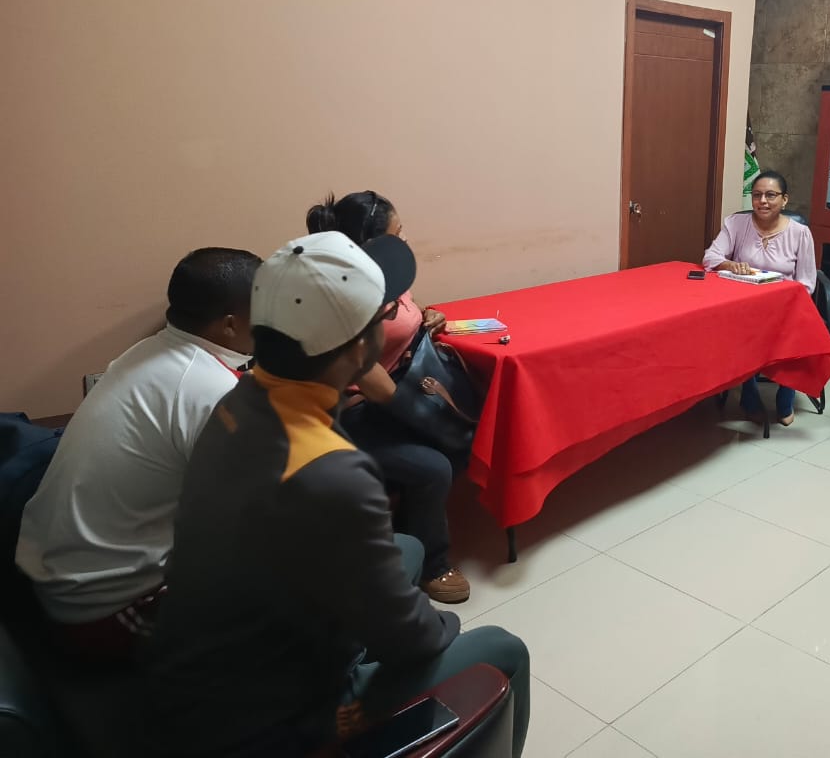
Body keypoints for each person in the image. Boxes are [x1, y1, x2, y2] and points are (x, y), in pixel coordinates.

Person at [144, 232, 529, 757]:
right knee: (500, 649)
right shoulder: (334, 473)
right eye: (384, 313)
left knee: (408, 550)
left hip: (195, 669)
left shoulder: (237, 399)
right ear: (360, 347)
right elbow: (412, 638)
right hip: (271, 721)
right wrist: (444, 626)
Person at [16, 247, 261, 661]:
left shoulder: (144, 353)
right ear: (230, 324)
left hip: (55, 580)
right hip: (104, 611)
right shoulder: (211, 392)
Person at [306, 190, 468, 604]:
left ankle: (409, 534)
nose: (405, 241)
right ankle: (432, 564)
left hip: (394, 397)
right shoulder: (341, 298)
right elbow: (373, 382)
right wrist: (428, 417)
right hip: (351, 414)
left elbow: (405, 315)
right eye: (397, 234)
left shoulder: (384, 276)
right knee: (435, 463)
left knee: (462, 435)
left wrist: (428, 317)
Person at [703, 170, 817, 425]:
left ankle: (786, 397)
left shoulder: (800, 233)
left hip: (785, 309)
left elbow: (807, 282)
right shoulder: (736, 224)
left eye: (770, 195)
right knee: (743, 333)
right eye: (757, 195)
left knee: (793, 334)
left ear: (784, 200)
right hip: (744, 308)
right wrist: (730, 265)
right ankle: (750, 397)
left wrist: (784, 301)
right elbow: (710, 257)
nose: (762, 201)